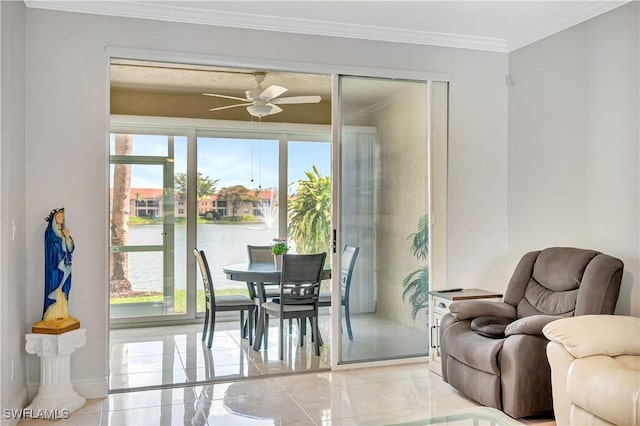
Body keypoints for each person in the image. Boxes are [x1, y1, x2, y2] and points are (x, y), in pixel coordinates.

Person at [42, 207, 75, 321]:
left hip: (66, 265)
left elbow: (70, 249)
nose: (61, 218)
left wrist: (67, 237)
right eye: (59, 216)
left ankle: (63, 313)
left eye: (62, 216)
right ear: (54, 218)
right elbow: (51, 248)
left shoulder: (65, 232)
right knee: (56, 285)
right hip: (55, 266)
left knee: (64, 287)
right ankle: (52, 314)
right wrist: (60, 243)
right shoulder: (49, 233)